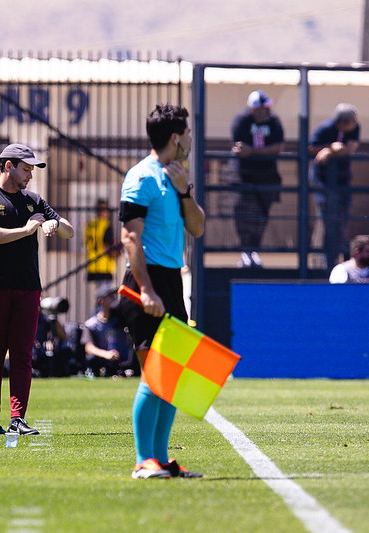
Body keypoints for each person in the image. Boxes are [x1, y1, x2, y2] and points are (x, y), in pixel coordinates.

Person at [118, 103, 205, 479]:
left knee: (171, 378)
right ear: (175, 138)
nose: (191, 139)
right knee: (153, 377)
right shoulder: (142, 177)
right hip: (146, 285)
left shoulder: (178, 177)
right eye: (187, 133)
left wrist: (185, 192)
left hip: (171, 282)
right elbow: (130, 238)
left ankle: (162, 459)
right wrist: (147, 291)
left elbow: (198, 228)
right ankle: (143, 461)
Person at [0, 143, 74, 436]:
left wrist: (53, 224)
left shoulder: (34, 200)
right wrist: (27, 230)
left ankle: (18, 417)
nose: (30, 175)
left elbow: (69, 231)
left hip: (28, 287)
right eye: (26, 169)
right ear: (9, 166)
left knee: (22, 354)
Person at [230, 90, 285, 268]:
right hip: (244, 177)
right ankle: (245, 251)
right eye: (264, 107)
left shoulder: (274, 121)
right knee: (244, 214)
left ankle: (255, 249)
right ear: (254, 109)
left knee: (262, 215)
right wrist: (258, 152)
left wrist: (253, 152)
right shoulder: (242, 120)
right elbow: (239, 148)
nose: (268, 110)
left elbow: (278, 147)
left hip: (267, 177)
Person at [308, 103, 360, 271]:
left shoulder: (355, 128)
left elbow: (350, 149)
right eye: (352, 121)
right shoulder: (326, 128)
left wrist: (330, 151)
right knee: (326, 221)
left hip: (342, 182)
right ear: (342, 122)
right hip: (323, 182)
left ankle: (339, 258)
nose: (355, 123)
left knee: (341, 221)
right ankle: (323, 260)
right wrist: (330, 147)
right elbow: (311, 148)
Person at [81, 285, 137, 378]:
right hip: (104, 361)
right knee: (92, 358)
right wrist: (106, 354)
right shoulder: (91, 324)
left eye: (114, 295)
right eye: (110, 296)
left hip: (123, 361)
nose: (114, 298)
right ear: (101, 301)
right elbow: (89, 347)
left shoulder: (121, 319)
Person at [85, 199, 121, 293]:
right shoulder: (105, 225)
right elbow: (107, 247)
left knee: (100, 292)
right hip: (104, 265)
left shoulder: (91, 224)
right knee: (106, 294)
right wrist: (117, 251)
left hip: (93, 263)